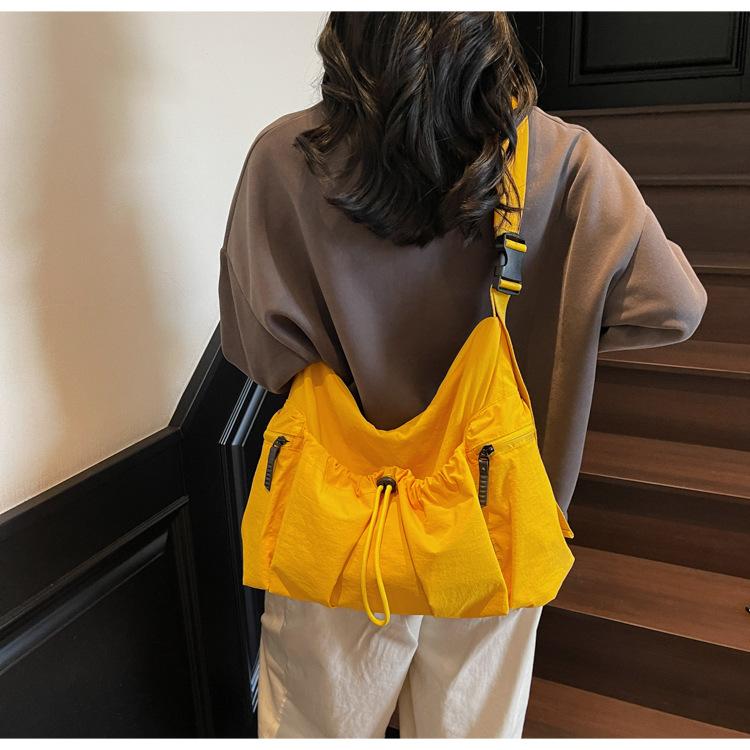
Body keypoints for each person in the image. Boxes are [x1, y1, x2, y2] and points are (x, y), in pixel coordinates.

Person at [218, 11, 707, 739]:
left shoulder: (283, 158)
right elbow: (677, 309)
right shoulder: (564, 161)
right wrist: (560, 331)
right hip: (492, 528)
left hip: (337, 527)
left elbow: (256, 353)